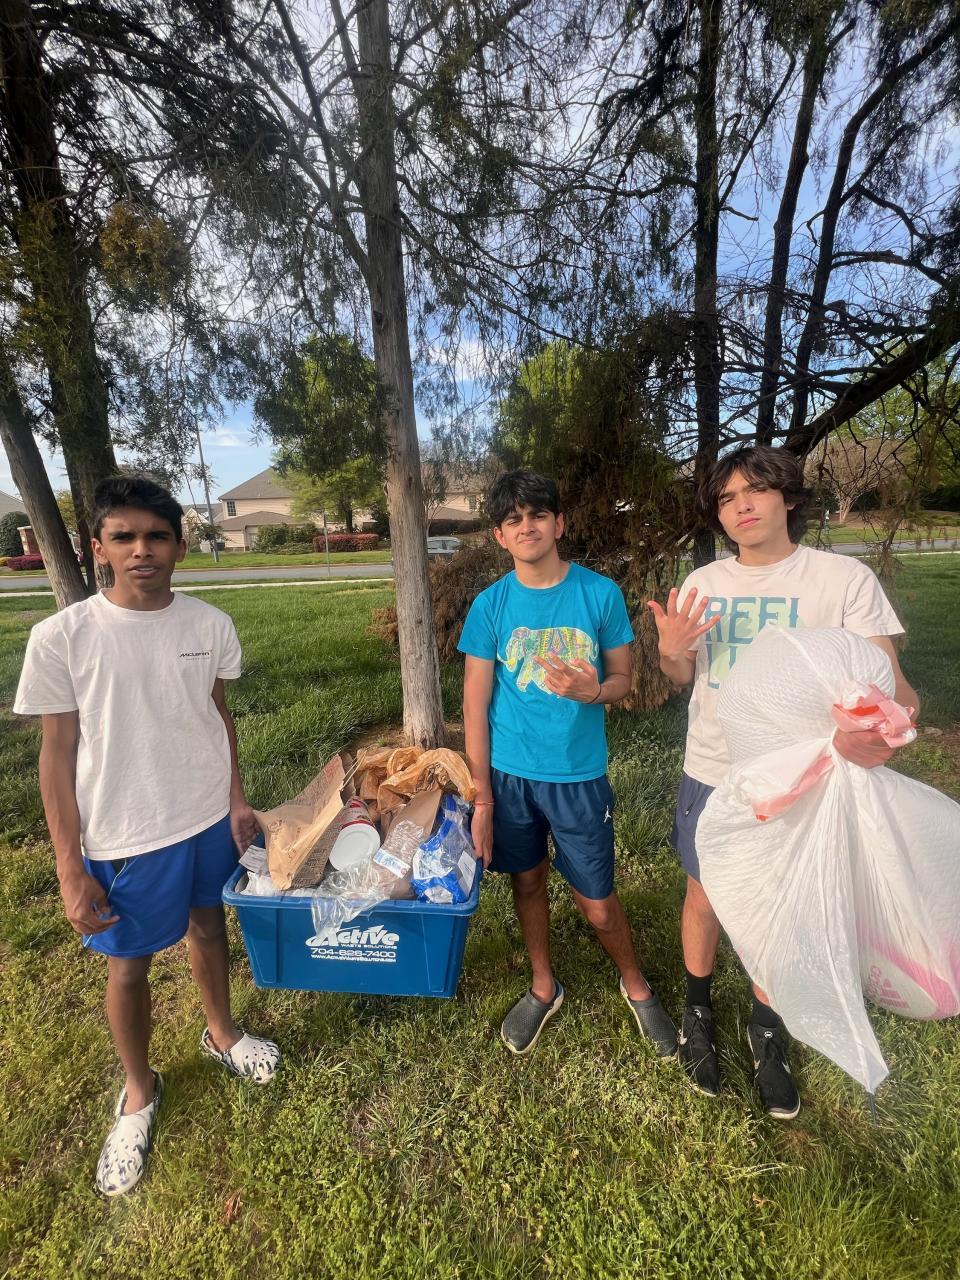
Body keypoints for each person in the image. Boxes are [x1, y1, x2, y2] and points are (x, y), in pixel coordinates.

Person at [14, 475, 280, 1197]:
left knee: (209, 928)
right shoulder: (62, 638)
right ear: (96, 547)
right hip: (124, 833)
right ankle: (138, 1089)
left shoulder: (209, 624)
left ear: (180, 547)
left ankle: (221, 1033)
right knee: (128, 965)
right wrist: (69, 867)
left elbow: (218, 716)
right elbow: (56, 757)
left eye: (157, 536)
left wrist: (236, 799)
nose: (142, 550)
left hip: (206, 817)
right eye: (124, 537)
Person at [648, 445, 918, 1119]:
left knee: (782, 907)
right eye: (726, 498)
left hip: (803, 778)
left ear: (789, 498)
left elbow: (892, 688)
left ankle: (767, 1029)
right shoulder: (704, 583)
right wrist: (671, 653)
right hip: (714, 768)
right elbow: (683, 676)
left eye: (756, 491)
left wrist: (875, 729)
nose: (740, 506)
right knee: (705, 894)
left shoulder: (841, 580)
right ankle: (697, 1011)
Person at [460, 469, 676, 1058]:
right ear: (500, 536)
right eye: (513, 520)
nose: (526, 526)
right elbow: (475, 707)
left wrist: (594, 691)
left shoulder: (598, 594)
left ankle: (636, 984)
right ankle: (543, 985)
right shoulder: (491, 606)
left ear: (558, 523)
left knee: (598, 904)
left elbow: (624, 678)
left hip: (578, 777)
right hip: (509, 777)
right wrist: (482, 797)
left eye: (537, 515)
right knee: (527, 881)